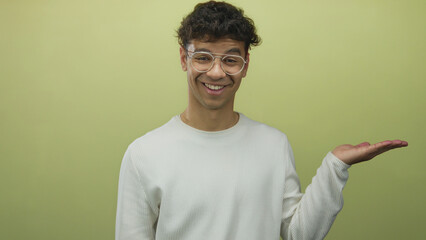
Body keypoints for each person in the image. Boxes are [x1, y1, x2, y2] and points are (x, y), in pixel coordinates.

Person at [115, 1, 408, 240]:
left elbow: (299, 234)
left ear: (245, 65)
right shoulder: (144, 154)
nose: (217, 73)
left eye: (231, 60)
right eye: (203, 57)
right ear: (184, 59)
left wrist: (335, 166)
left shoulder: (273, 144)